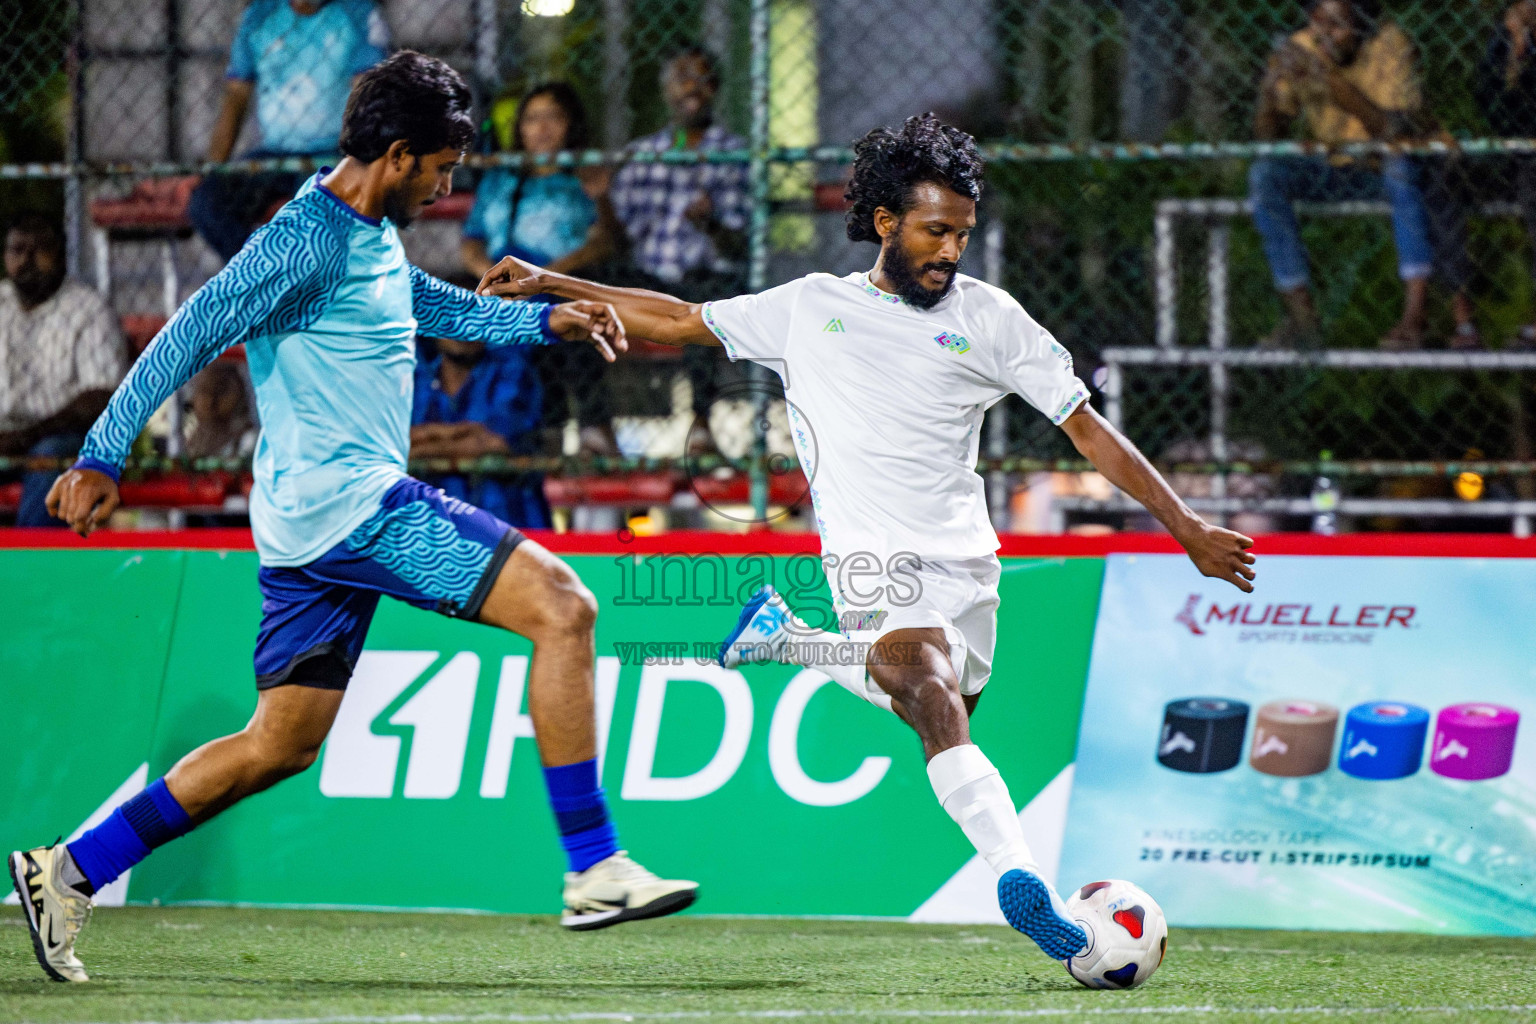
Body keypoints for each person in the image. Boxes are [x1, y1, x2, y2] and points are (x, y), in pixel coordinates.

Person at [478, 114, 1257, 963]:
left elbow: (1087, 429)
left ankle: (786, 640)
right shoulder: (810, 307)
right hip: (872, 568)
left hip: (967, 565)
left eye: (961, 233)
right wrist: (554, 282)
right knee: (927, 692)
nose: (949, 250)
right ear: (885, 221)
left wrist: (1184, 525)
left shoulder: (990, 318)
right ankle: (1027, 886)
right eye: (933, 230)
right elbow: (676, 319)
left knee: (940, 709)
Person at [8, 52, 695, 986]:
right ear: (400, 153)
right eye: (444, 167)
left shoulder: (363, 230)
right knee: (565, 608)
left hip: (305, 529)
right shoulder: (299, 241)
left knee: (278, 743)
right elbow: (189, 329)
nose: (449, 186)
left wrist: (548, 319)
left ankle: (68, 870)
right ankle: (595, 868)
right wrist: (101, 450)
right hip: (356, 507)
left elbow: (424, 306)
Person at [1249, 0, 1436, 349]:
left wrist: (1333, 84)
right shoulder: (1301, 46)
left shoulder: (1389, 43)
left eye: (1338, 25)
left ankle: (1415, 316)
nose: (1325, 35)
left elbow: (1393, 131)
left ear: (1362, 22)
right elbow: (1267, 137)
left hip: (1382, 169)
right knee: (1266, 174)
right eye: (1319, 23)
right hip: (1331, 168)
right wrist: (1269, 95)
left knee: (1400, 165)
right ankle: (1302, 319)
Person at [461, 83, 620, 456]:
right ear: (520, 128)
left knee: (559, 314)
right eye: (532, 118)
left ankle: (555, 429)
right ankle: (532, 428)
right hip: (505, 284)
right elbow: (471, 241)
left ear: (571, 125)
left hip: (564, 280)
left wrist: (545, 276)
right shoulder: (499, 178)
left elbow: (604, 243)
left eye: (554, 117)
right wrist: (494, 276)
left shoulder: (583, 179)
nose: (542, 127)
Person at [608, 46, 751, 454]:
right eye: (682, 77)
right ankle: (593, 427)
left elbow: (742, 246)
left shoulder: (734, 154)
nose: (693, 87)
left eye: (703, 79)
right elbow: (618, 237)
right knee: (592, 291)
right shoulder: (643, 154)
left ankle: (701, 423)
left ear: (716, 89)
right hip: (650, 275)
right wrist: (602, 197)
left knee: (701, 297)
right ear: (667, 89)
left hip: (707, 275)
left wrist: (712, 224)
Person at [189, 0, 390, 262]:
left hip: (334, 154)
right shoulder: (259, 16)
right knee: (207, 201)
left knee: (316, 213)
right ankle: (259, 274)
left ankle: (302, 289)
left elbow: (368, 97)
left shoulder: (358, 12)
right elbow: (235, 98)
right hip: (273, 156)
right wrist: (212, 169)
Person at [0, 214, 126, 527]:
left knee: (50, 458)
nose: (28, 260)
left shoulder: (88, 308)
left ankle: (31, 569)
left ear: (61, 254)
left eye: (40, 249)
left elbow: (100, 399)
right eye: (18, 250)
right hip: (4, 434)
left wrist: (27, 436)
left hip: (63, 436)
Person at [1428, 1, 1536, 349]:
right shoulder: (1508, 39)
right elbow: (1491, 106)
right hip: (1513, 156)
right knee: (1443, 174)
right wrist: (1514, 54)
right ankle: (1464, 324)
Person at [411, 335, 550, 528]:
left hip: (509, 524)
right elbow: (400, 442)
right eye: (449, 319)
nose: (459, 329)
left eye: (469, 317)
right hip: (436, 529)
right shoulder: (417, 378)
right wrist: (466, 434)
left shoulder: (511, 372)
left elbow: (496, 442)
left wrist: (425, 441)